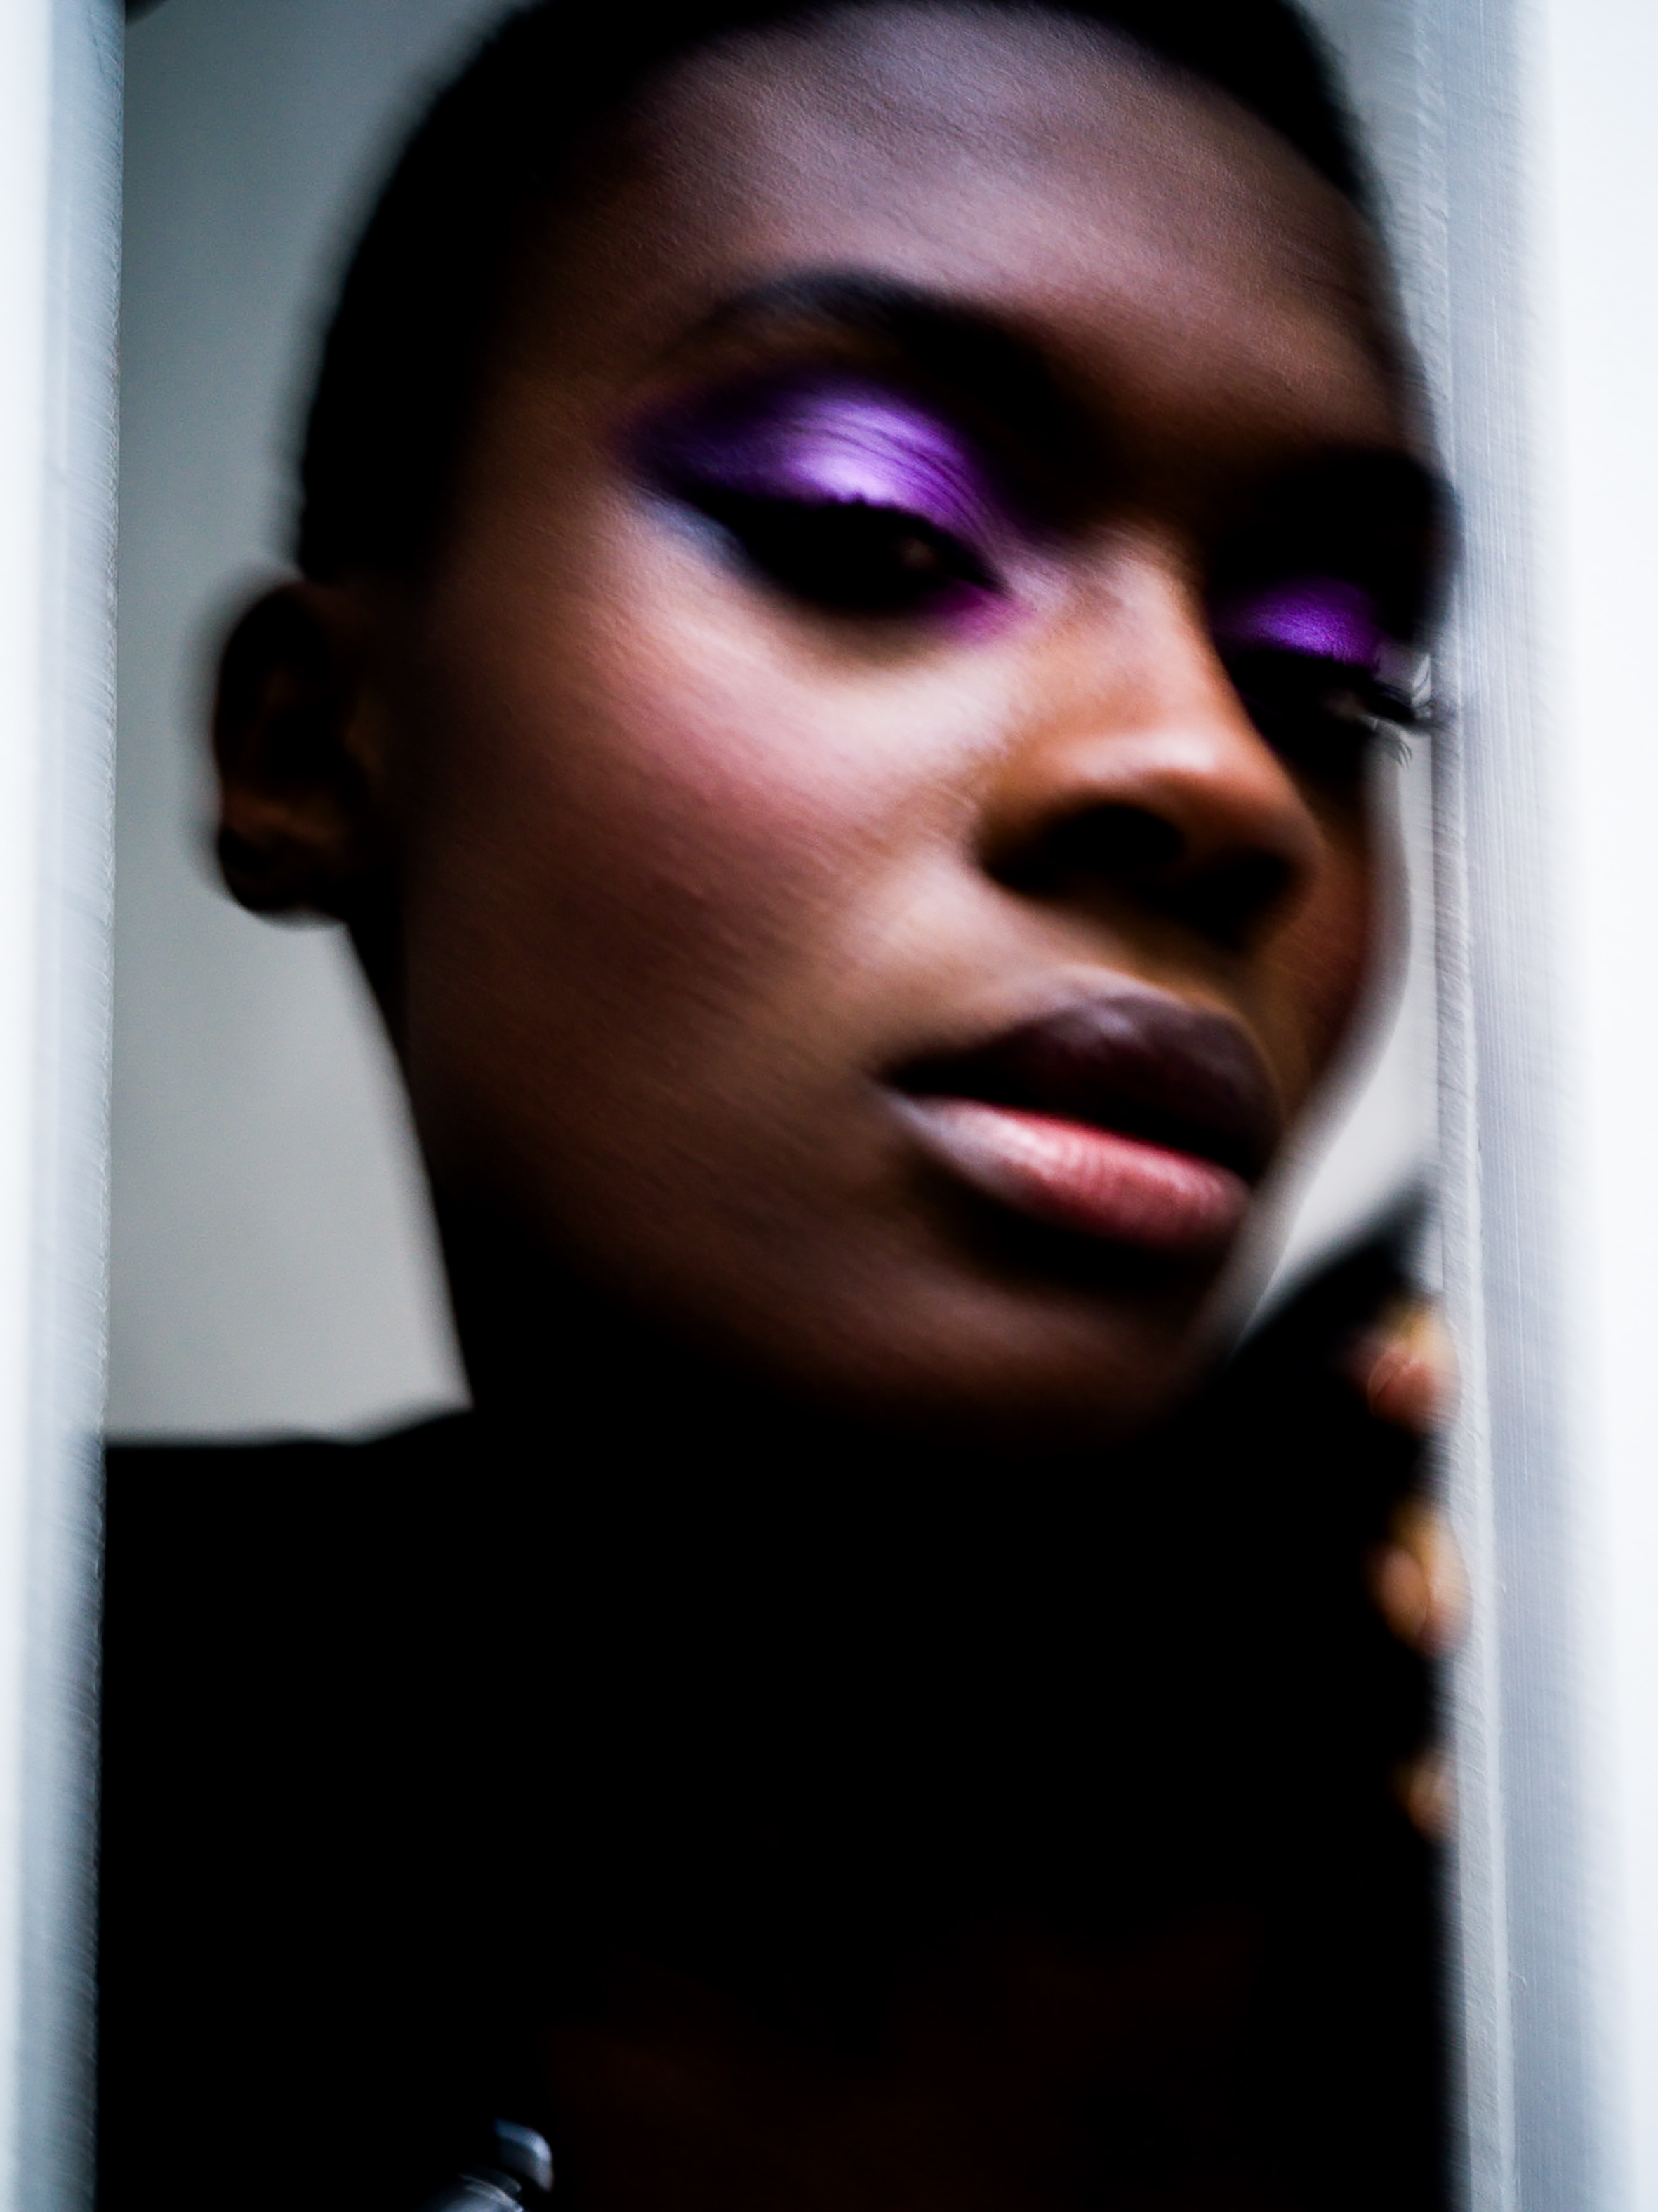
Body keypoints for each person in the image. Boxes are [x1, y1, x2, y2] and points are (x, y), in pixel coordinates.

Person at [98, 1, 1462, 2204]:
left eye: (1330, 672)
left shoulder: (1536, 1888)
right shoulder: (69, 1763)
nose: (1218, 773)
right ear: (316, 742)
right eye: (867, 524)